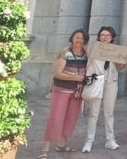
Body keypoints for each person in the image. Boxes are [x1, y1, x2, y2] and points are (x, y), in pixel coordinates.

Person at [38, 29, 88, 159]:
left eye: (82, 38)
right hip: (61, 89)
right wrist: (77, 77)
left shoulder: (86, 55)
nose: (79, 40)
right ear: (72, 38)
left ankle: (62, 144)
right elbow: (57, 73)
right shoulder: (65, 54)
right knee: (56, 117)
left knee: (71, 118)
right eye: (77, 37)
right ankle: (45, 149)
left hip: (77, 92)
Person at [82, 26, 126, 153]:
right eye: (102, 35)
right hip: (96, 81)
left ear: (112, 37)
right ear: (99, 36)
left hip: (111, 81)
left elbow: (120, 67)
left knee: (109, 112)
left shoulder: (115, 50)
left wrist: (124, 59)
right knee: (93, 113)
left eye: (108, 35)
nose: (105, 37)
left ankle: (110, 139)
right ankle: (89, 140)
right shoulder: (93, 47)